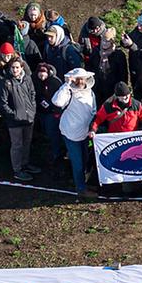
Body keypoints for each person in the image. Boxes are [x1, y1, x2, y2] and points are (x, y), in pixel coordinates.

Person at [52, 67, 96, 197]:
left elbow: (93, 109)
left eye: (82, 78)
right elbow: (57, 101)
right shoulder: (68, 92)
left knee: (85, 158)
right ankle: (81, 189)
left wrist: (92, 126)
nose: (80, 81)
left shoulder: (90, 92)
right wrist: (66, 85)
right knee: (78, 162)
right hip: (71, 133)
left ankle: (83, 182)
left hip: (85, 132)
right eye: (77, 79)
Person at [0, 53, 38, 181]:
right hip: (14, 121)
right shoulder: (5, 83)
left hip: (28, 118)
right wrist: (13, 115)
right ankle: (17, 169)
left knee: (27, 142)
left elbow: (32, 94)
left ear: (22, 68)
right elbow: (2, 103)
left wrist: (32, 110)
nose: (15, 70)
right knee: (17, 145)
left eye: (17, 67)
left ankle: (25, 164)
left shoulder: (27, 79)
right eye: (13, 67)